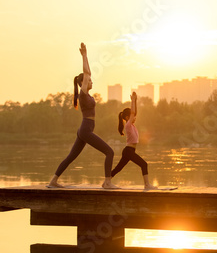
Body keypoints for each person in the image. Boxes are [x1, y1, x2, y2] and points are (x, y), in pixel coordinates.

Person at [47, 43, 117, 189]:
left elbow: (88, 74)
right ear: (82, 83)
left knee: (71, 156)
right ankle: (107, 182)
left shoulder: (87, 95)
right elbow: (87, 73)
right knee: (109, 152)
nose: (91, 81)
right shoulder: (83, 95)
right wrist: (84, 56)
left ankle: (53, 181)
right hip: (86, 130)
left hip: (84, 130)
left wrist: (85, 56)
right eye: (89, 81)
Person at [110, 91, 157, 190]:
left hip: (129, 151)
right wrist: (133, 101)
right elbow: (133, 113)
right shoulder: (128, 125)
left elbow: (134, 113)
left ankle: (107, 180)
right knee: (144, 164)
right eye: (132, 116)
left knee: (119, 168)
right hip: (128, 151)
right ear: (127, 117)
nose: (135, 117)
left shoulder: (131, 126)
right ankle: (147, 185)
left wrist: (136, 101)